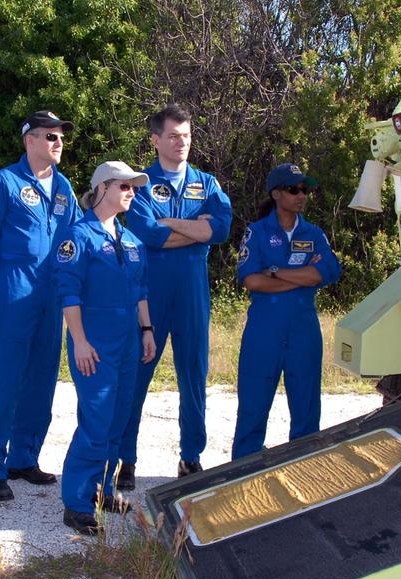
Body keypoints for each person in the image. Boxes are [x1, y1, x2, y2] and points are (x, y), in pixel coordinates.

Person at [0, 111, 81, 502]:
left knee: (42, 378)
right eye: (50, 136)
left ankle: (24, 457)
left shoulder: (65, 187)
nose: (58, 143)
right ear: (29, 140)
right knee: (8, 378)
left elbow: (77, 240)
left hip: (51, 294)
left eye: (61, 136)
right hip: (14, 290)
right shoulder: (3, 183)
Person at [119, 104, 232, 485]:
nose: (180, 142)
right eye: (172, 136)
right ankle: (125, 458)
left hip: (193, 293)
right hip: (150, 292)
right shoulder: (140, 184)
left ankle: (190, 457)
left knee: (194, 376)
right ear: (155, 140)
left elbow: (221, 229)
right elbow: (150, 234)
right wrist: (194, 229)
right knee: (137, 374)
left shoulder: (208, 184)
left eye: (185, 135)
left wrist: (172, 225)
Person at [55, 161, 157, 534]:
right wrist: (79, 341)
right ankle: (78, 502)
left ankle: (104, 489)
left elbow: (141, 291)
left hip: (127, 337)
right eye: (125, 187)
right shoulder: (77, 237)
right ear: (102, 189)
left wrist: (146, 329)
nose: (131, 193)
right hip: (94, 338)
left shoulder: (130, 241)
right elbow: (69, 293)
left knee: (118, 418)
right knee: (96, 420)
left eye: (134, 188)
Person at [231, 164, 342, 459]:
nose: (301, 195)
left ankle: (303, 473)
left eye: (304, 189)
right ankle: (242, 473)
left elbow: (325, 273)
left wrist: (277, 272)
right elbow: (252, 280)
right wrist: (302, 276)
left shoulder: (314, 233)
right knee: (253, 407)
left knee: (306, 409)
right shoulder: (256, 232)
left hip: (304, 331)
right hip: (264, 331)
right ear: (277, 193)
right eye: (294, 189)